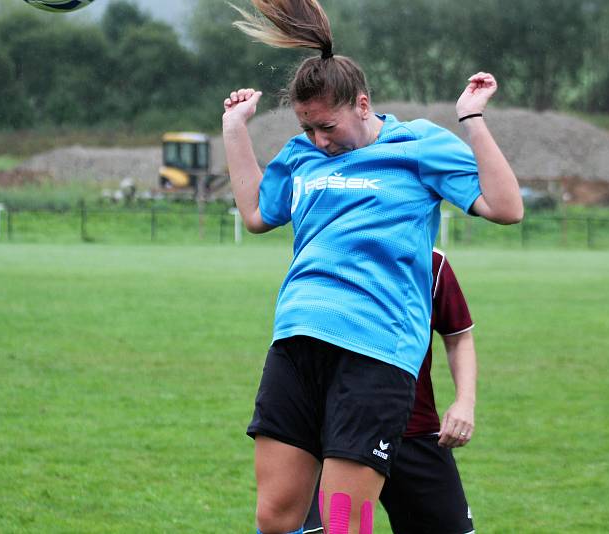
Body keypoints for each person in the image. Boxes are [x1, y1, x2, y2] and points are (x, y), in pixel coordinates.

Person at [222, 2, 522, 532]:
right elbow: (256, 215)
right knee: (277, 518)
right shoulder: (300, 155)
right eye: (307, 127)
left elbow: (506, 208)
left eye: (328, 126)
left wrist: (472, 121)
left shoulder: (419, 144)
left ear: (362, 104)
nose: (319, 139)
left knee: (343, 523)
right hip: (296, 339)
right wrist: (234, 130)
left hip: (376, 353)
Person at [303, 249, 477, 534]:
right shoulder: (325, 250)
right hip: (335, 437)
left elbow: (459, 338)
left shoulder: (431, 261)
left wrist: (465, 402)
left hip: (413, 431)